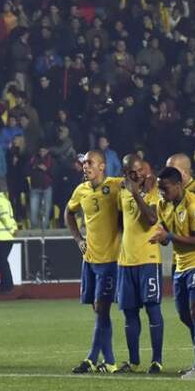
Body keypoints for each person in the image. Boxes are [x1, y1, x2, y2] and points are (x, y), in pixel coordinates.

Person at [149, 166, 195, 379]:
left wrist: (169, 236)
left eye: (165, 189)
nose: (162, 193)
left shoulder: (193, 204)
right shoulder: (162, 205)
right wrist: (163, 237)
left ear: (178, 185)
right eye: (159, 189)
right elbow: (169, 237)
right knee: (184, 314)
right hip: (180, 265)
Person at [65, 151, 121, 374]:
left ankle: (94, 359)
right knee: (98, 310)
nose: (85, 166)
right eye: (84, 163)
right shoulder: (81, 190)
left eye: (90, 163)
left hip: (110, 259)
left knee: (102, 308)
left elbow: (146, 183)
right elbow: (69, 214)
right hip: (89, 259)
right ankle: (108, 361)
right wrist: (78, 239)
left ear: (102, 166)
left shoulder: (117, 186)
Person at [114, 155, 163, 374]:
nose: (138, 175)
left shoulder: (153, 191)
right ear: (125, 173)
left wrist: (135, 193)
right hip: (126, 261)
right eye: (133, 172)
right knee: (130, 313)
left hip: (148, 260)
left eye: (140, 170)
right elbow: (119, 221)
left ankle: (157, 360)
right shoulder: (121, 192)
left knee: (153, 310)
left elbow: (151, 219)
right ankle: (134, 361)